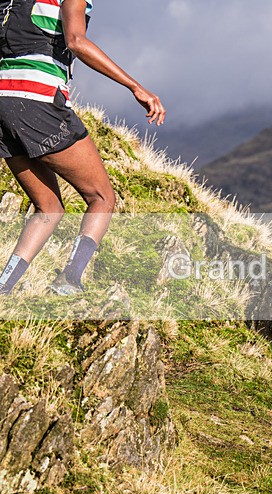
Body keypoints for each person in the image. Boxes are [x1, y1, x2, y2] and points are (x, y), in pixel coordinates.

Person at [0, 0, 165, 295]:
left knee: (48, 207)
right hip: (38, 101)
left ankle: (4, 288)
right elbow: (76, 41)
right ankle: (69, 280)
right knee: (102, 196)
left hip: (3, 104)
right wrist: (136, 87)